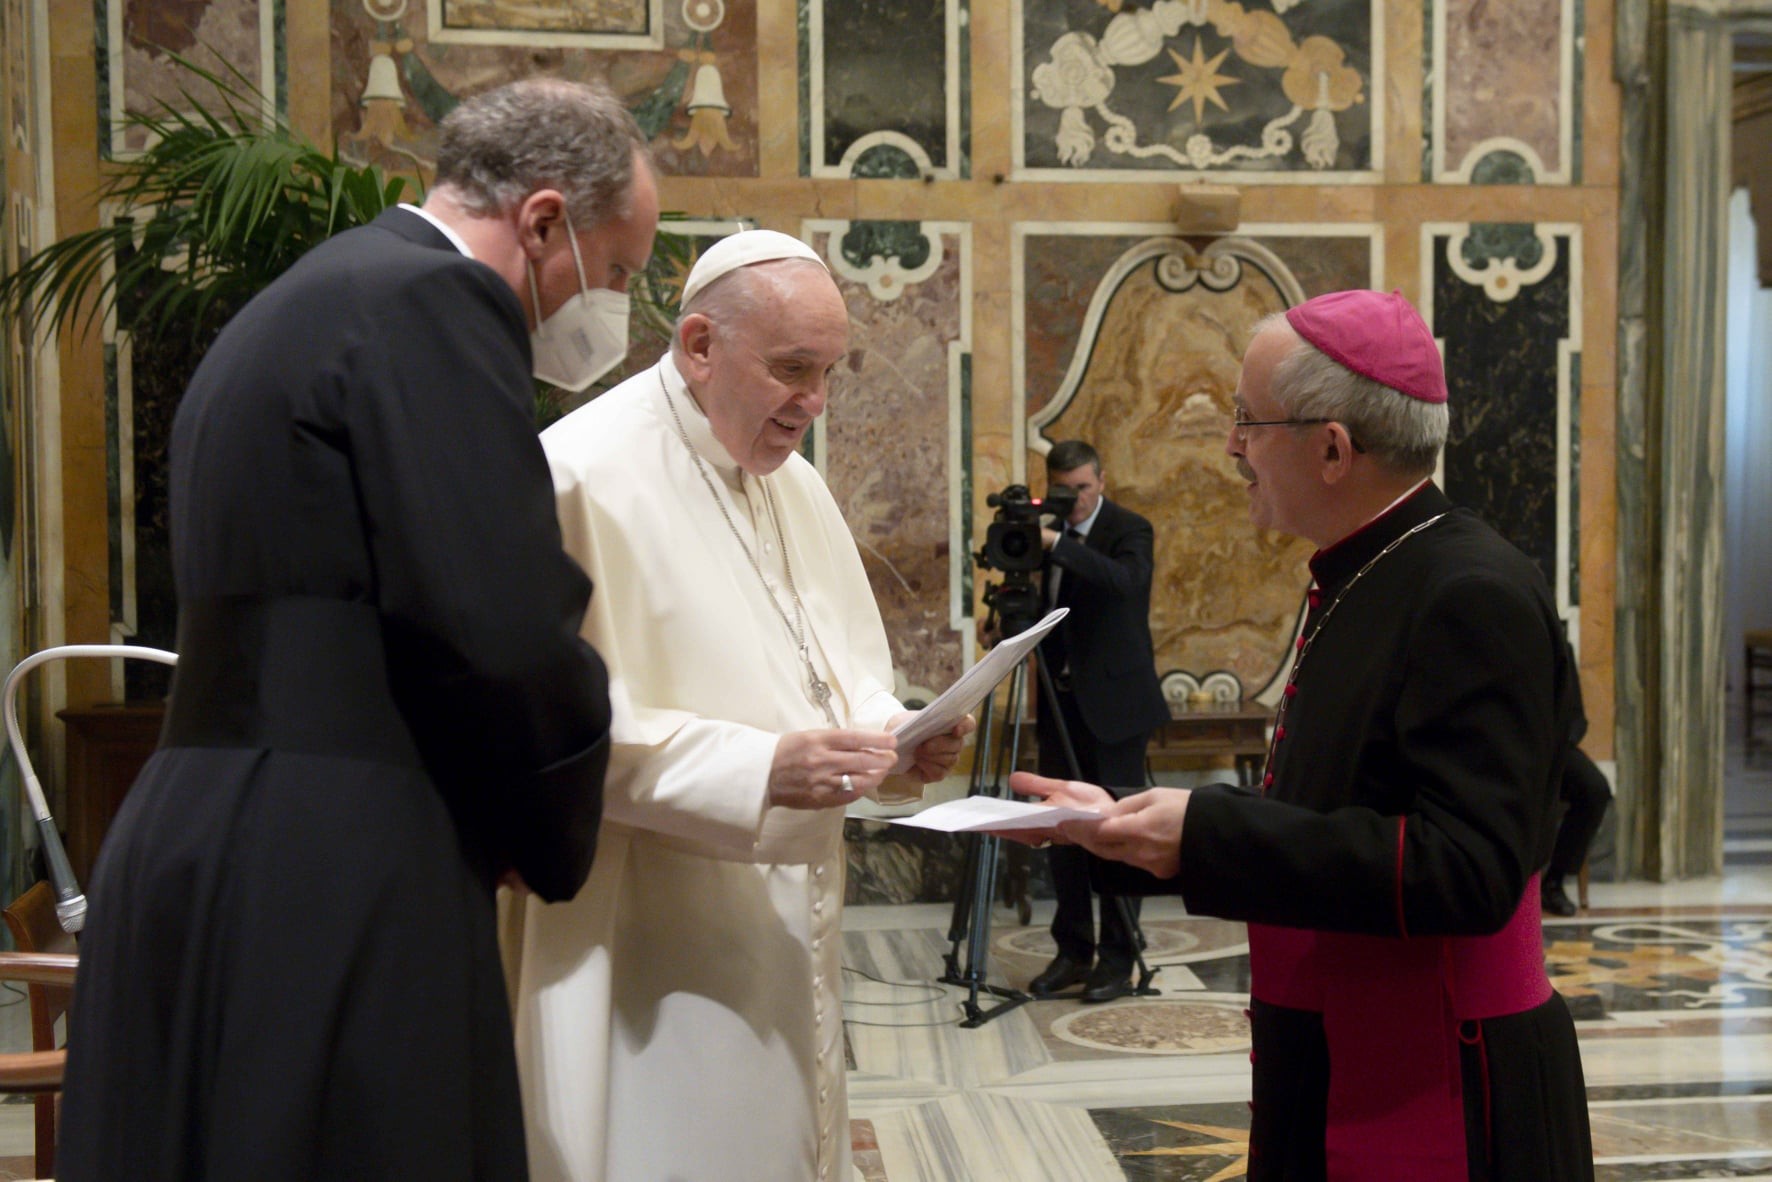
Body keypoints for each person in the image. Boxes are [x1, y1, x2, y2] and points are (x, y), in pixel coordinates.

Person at [57, 79, 657, 1181]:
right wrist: (541, 816)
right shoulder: (434, 302)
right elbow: (498, 616)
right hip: (337, 847)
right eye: (615, 269)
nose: (611, 303)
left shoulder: (318, 290)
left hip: (201, 818)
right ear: (541, 219)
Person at [1013, 290, 1594, 1180]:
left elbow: (1471, 866)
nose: (1233, 447)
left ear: (1332, 447)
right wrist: (1143, 830)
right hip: (1337, 1035)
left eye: (1249, 421)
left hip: (1446, 1076)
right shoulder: (1368, 570)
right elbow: (1334, 809)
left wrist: (1206, 831)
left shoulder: (1467, 591)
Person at [512, 230, 974, 1182]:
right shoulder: (576, 476)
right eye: (792, 369)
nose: (814, 402)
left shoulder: (791, 483)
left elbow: (831, 665)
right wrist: (757, 770)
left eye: (828, 372)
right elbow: (548, 731)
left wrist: (897, 736)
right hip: (640, 929)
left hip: (781, 920)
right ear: (697, 345)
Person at [1026, 439, 1170, 1003]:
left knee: (1118, 832)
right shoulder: (1043, 528)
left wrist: (1058, 543)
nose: (1075, 499)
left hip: (1116, 710)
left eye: (1082, 488)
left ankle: (1117, 958)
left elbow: (1124, 584)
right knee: (1064, 831)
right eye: (1064, 490)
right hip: (1060, 707)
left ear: (1102, 480)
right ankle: (1072, 952)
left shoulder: (1130, 529)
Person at [1544, 652, 1612, 917]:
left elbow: (1576, 717)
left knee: (1594, 788)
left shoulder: (1561, 645)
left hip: (1557, 751)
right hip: (1517, 750)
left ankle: (1554, 881)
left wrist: (1562, 745)